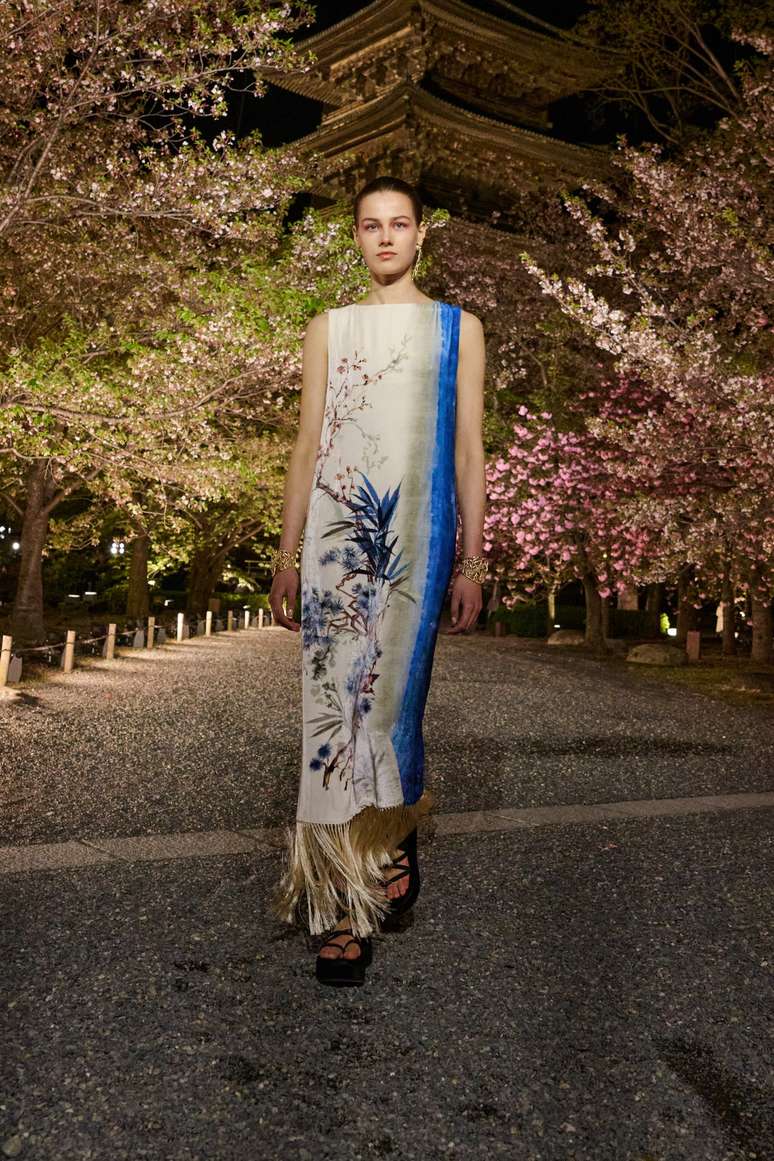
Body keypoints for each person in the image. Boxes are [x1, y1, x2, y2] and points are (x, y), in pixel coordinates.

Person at [269, 175, 486, 986]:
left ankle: (391, 831)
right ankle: (339, 907)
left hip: (417, 547)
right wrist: (288, 552)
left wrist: (473, 560)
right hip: (333, 544)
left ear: (422, 234)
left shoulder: (458, 330)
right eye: (371, 225)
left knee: (391, 705)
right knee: (330, 718)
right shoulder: (329, 328)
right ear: (355, 237)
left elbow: (469, 450)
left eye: (400, 224)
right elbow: (306, 444)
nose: (385, 237)